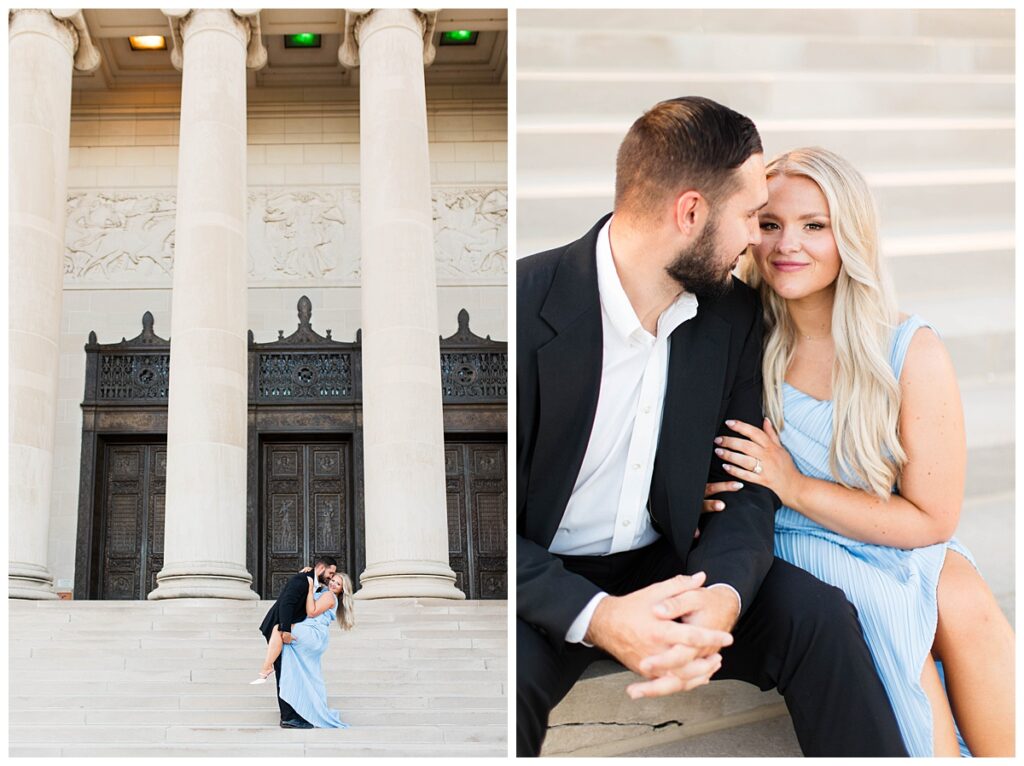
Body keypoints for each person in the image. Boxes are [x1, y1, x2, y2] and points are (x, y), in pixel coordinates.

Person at [516, 96, 909, 757]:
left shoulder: (731, 315)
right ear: (691, 212)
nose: (761, 240)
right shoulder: (528, 303)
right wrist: (601, 617)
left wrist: (725, 594)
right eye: (754, 218)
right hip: (545, 579)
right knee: (510, 684)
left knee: (820, 617)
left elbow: (743, 481)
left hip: (677, 563)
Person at [705, 146, 1014, 756]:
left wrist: (794, 485)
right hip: (794, 542)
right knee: (887, 611)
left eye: (814, 225)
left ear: (850, 233)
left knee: (961, 593)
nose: (786, 245)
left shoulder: (906, 349)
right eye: (769, 224)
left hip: (894, 537)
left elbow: (932, 520)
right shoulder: (733, 338)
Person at [257, 556, 337, 729]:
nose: (331, 577)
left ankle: (291, 713)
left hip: (285, 628)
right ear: (321, 568)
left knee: (286, 671)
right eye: (330, 573)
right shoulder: (302, 580)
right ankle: (288, 717)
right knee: (283, 671)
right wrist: (285, 630)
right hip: (277, 628)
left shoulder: (311, 582)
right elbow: (286, 603)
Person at [277, 571, 355, 729]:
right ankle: (308, 707)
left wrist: (310, 584)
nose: (333, 584)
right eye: (333, 580)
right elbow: (313, 596)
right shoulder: (325, 593)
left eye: (338, 584)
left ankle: (266, 667)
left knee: (277, 630)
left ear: (342, 590)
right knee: (309, 674)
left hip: (310, 632)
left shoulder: (329, 596)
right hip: (316, 635)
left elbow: (311, 612)